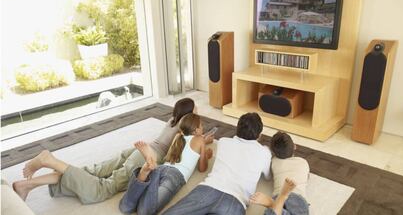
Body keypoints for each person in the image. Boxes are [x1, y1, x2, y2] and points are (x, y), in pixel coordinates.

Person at [13, 98, 214, 204]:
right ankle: (51, 160)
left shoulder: (172, 120)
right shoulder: (183, 129)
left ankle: (27, 185)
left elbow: (188, 129)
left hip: (136, 150)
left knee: (91, 171)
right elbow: (191, 138)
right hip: (146, 156)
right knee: (103, 189)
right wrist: (204, 139)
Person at [162, 112, 272, 215]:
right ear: (259, 135)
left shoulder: (223, 142)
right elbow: (268, 177)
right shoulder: (265, 152)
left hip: (208, 189)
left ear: (237, 129)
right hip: (236, 201)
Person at [119, 113, 213, 215]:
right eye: (201, 125)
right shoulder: (200, 140)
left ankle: (146, 170)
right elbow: (202, 168)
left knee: (125, 207)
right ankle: (150, 167)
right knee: (145, 212)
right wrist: (205, 155)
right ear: (196, 130)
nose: (203, 128)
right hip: (176, 176)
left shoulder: (178, 136)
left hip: (162, 168)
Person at [250, 131, 310, 215]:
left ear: (273, 152)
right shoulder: (303, 162)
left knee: (275, 211)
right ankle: (274, 204)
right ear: (295, 146)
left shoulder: (274, 162)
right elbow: (307, 177)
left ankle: (273, 203)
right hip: (297, 198)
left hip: (277, 199)